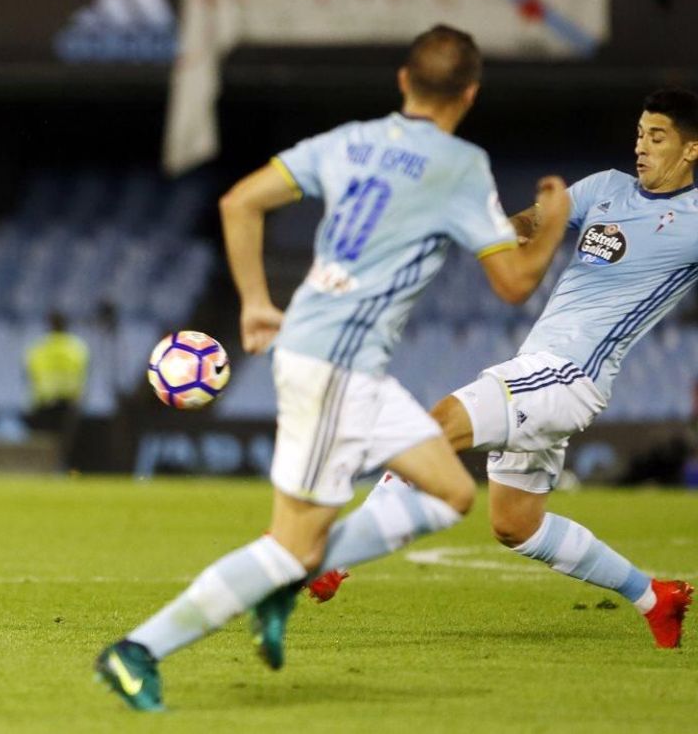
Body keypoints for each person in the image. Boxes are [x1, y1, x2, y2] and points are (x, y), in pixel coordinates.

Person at [94, 24, 571, 711]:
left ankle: (290, 580)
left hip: (347, 364)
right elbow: (515, 283)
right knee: (291, 545)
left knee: (448, 493)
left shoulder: (347, 141)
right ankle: (138, 650)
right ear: (469, 94)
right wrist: (552, 222)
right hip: (334, 366)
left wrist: (257, 302)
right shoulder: (460, 166)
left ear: (404, 82)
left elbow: (239, 202)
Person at [267, 88, 698, 651]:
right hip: (541, 368)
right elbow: (525, 222)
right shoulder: (605, 189)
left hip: (571, 376)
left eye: (657, 137)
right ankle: (654, 598)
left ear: (691, 150)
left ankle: (328, 561)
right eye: (640, 133)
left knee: (433, 428)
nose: (641, 146)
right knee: (516, 524)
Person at [25, 311, 89, 467]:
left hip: (44, 400)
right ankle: (63, 468)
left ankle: (44, 467)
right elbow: (82, 374)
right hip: (68, 401)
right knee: (65, 440)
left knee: (45, 440)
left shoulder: (39, 347)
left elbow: (30, 373)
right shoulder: (76, 347)